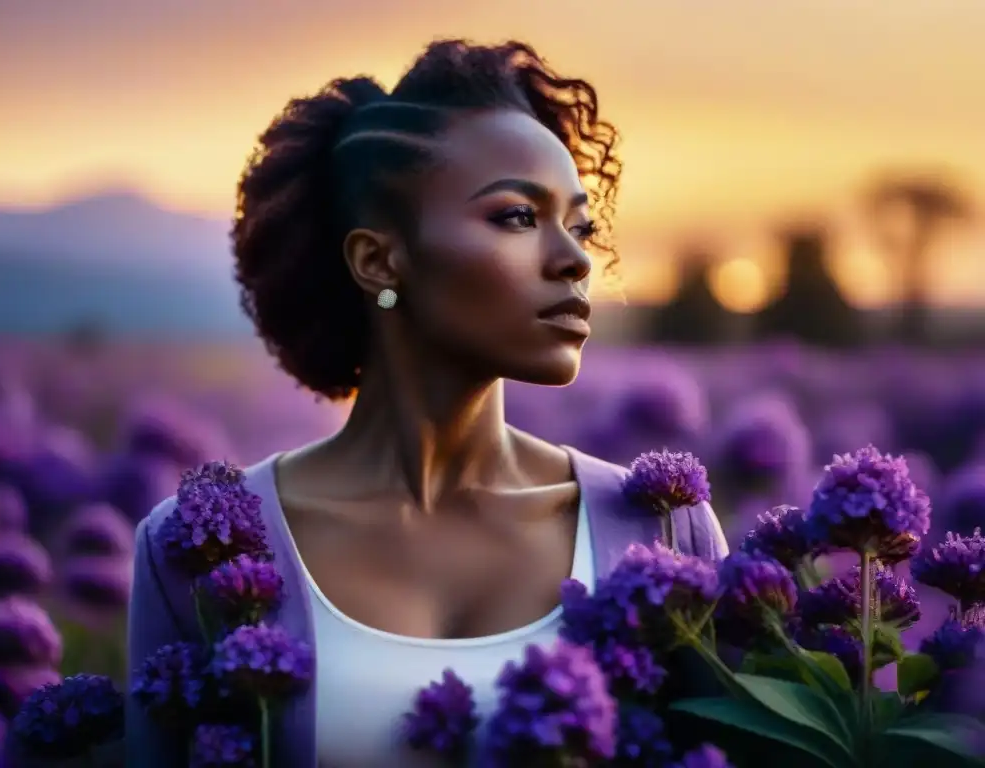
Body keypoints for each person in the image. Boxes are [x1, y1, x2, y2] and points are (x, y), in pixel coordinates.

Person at [126, 38, 728, 767]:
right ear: (379, 260)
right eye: (515, 216)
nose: (574, 259)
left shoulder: (662, 527)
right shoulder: (196, 549)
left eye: (580, 224)